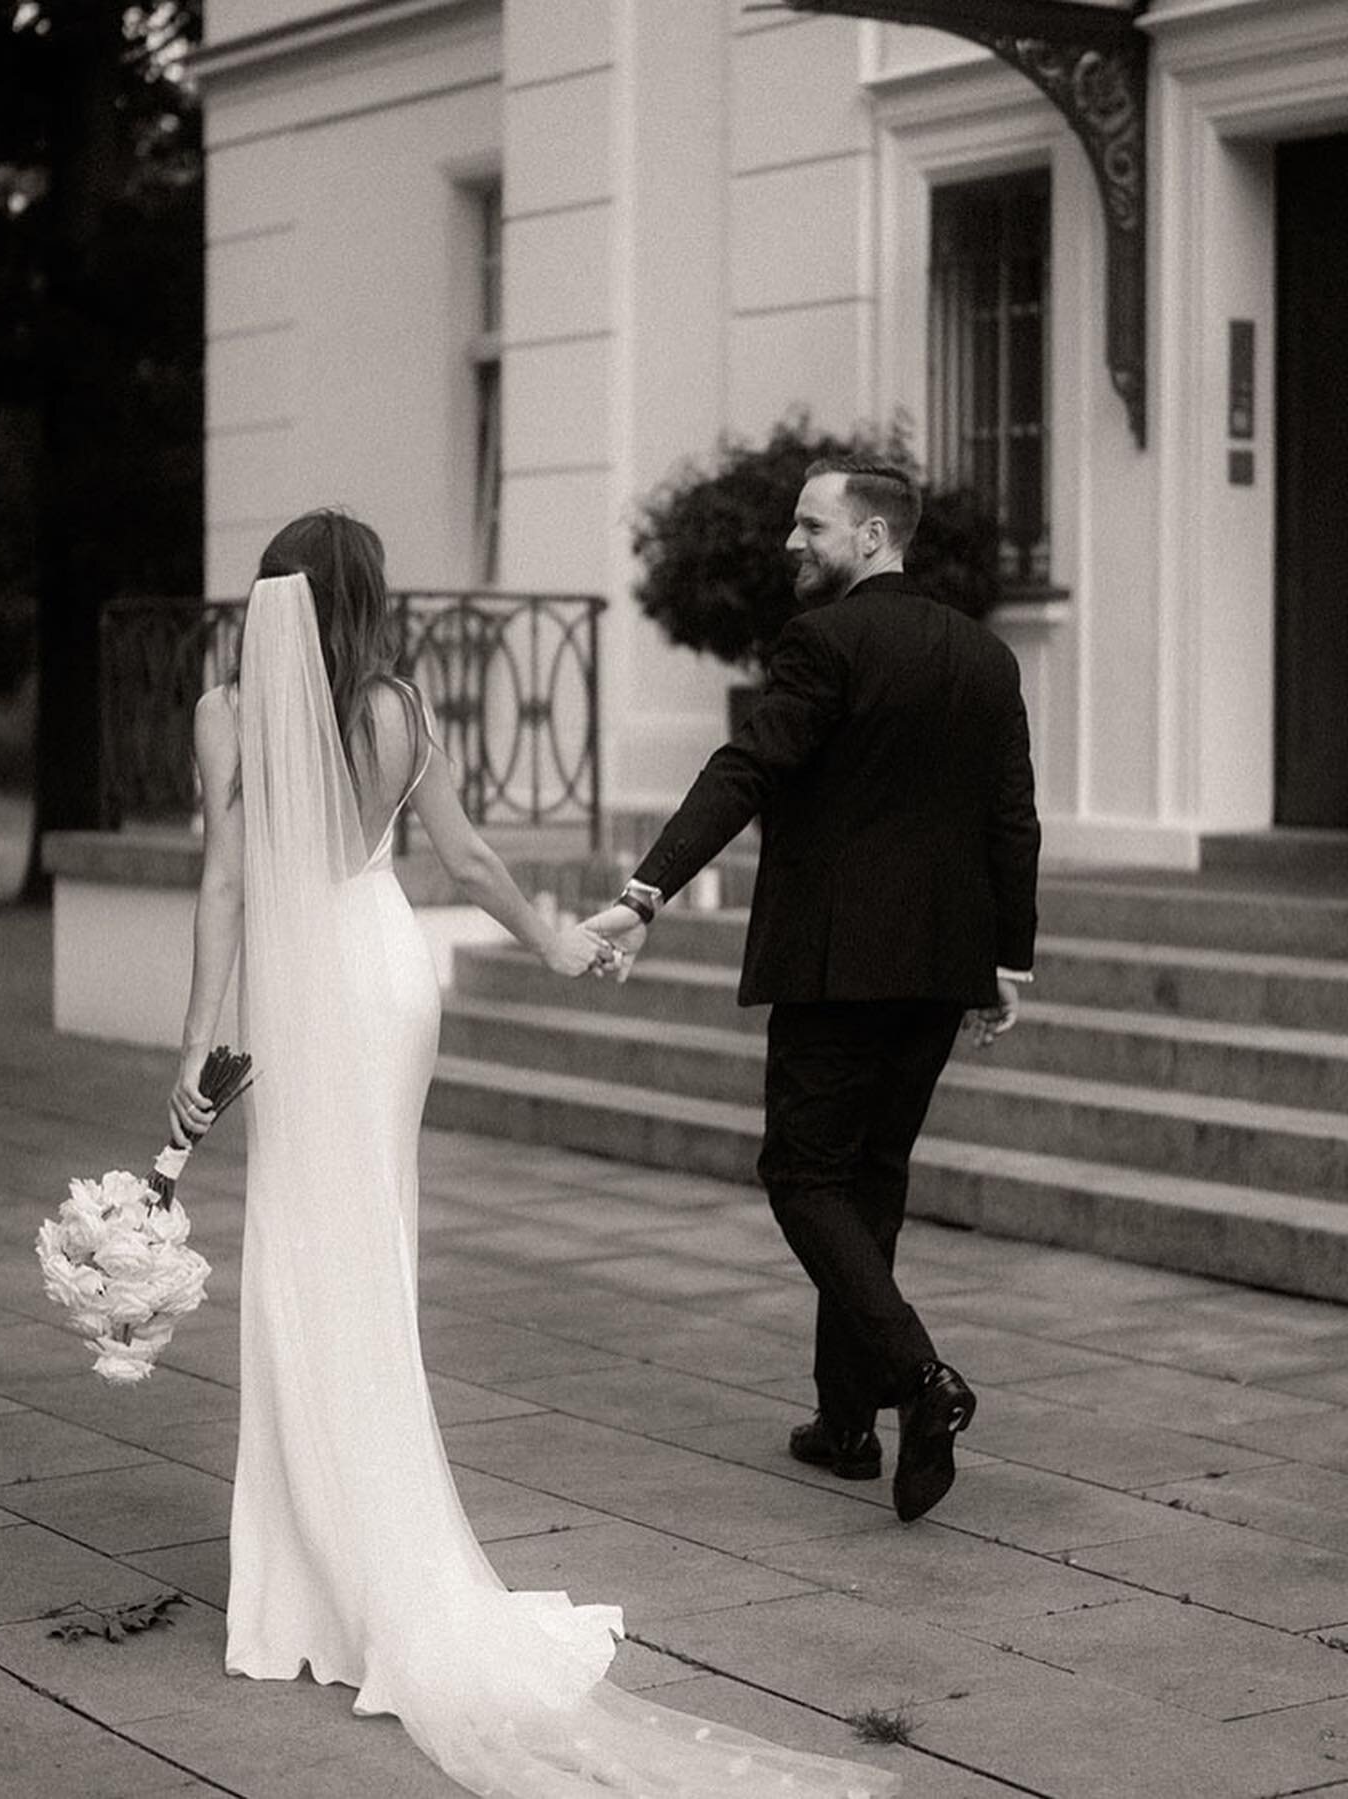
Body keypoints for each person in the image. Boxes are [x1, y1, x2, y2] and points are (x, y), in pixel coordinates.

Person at [167, 509, 899, 1799]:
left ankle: (313, 1571)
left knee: (304, 1246)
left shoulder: (225, 712)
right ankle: (352, 1546)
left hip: (300, 989)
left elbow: (227, 886)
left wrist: (193, 1052)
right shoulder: (397, 705)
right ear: (365, 600)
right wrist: (561, 940)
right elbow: (465, 855)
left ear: (271, 596)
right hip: (386, 973)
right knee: (369, 1247)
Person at [586, 457, 1040, 1525]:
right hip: (941, 962)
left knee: (802, 1172)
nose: (791, 543)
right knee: (869, 1179)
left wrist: (645, 891)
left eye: (811, 526)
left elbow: (746, 768)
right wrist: (1007, 959)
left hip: (839, 964)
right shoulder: (986, 655)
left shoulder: (824, 642)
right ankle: (845, 1425)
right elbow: (1011, 816)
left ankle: (924, 1379)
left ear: (874, 537)